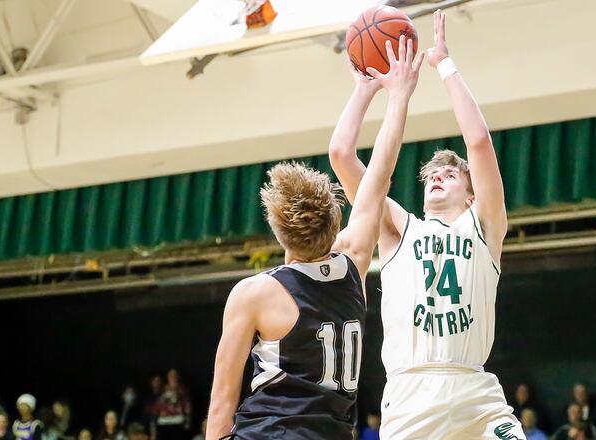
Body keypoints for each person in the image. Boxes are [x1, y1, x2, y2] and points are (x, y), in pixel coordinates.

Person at [206, 34, 424, 440]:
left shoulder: (255, 293)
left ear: (278, 231)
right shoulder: (354, 260)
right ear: (335, 220)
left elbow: (222, 402)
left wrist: (364, 88)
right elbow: (379, 173)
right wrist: (396, 97)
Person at [329, 9, 522, 440]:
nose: (437, 177)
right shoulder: (398, 229)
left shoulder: (484, 226)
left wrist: (444, 66)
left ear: (471, 195)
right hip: (411, 391)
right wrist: (365, 89)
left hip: (476, 391)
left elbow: (478, 141)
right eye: (432, 175)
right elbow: (341, 154)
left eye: (450, 175)